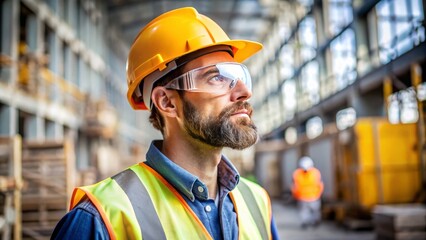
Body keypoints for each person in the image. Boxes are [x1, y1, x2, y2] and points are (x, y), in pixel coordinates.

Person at [52, 7, 279, 240]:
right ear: (167, 102)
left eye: (240, 77)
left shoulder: (257, 202)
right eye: (217, 78)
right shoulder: (101, 218)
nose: (245, 92)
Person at [291, 156, 324, 228]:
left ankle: (314, 222)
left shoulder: (314, 173)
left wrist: (318, 194)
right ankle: (306, 222)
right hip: (304, 197)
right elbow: (295, 186)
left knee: (314, 211)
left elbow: (319, 184)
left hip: (313, 196)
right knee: (305, 211)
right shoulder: (298, 174)